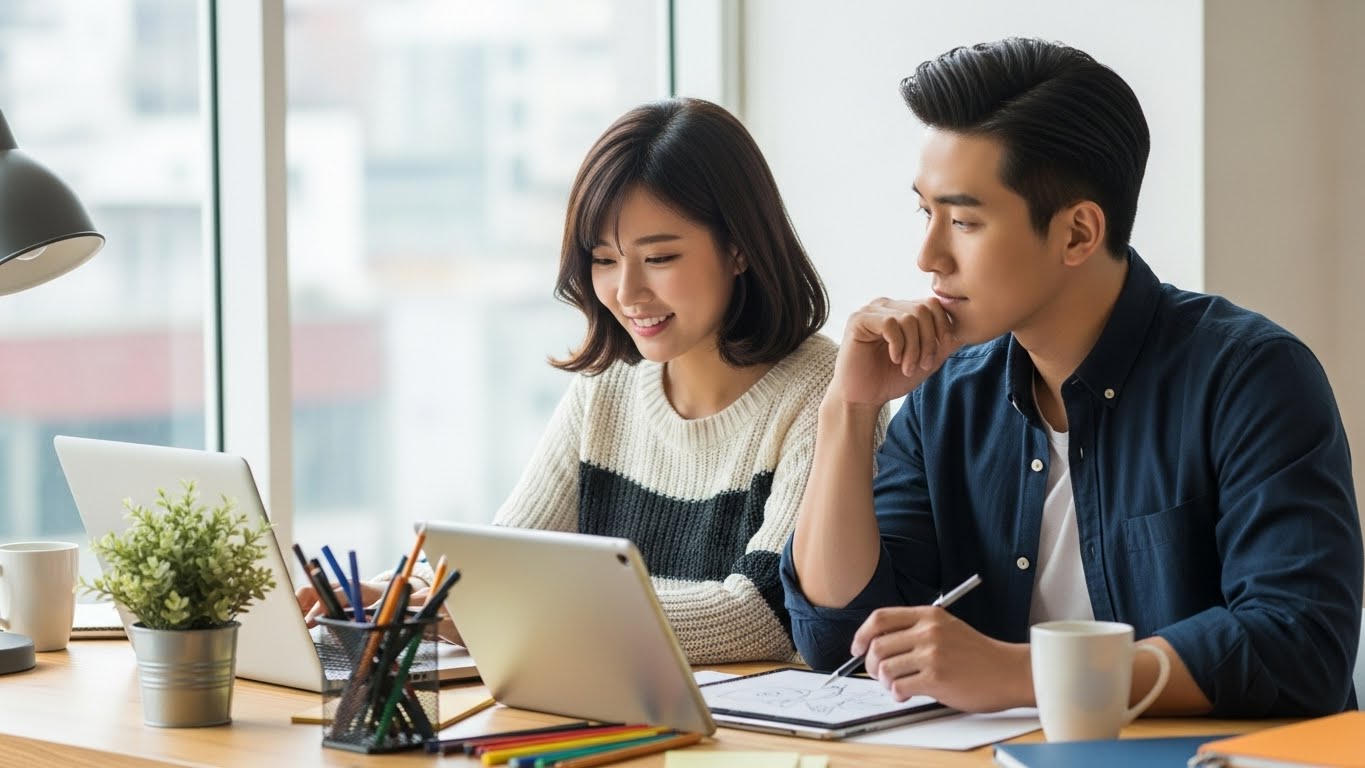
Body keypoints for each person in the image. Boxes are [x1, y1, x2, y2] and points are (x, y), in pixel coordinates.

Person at [781, 37, 1362, 717]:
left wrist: (1023, 675)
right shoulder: (946, 395)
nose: (927, 256)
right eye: (925, 212)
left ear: (1078, 234)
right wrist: (847, 410)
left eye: (963, 221)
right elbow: (836, 637)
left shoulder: (1248, 377)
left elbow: (1297, 644)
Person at [301, 97, 841, 664]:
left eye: (659, 257)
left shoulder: (821, 387)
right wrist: (403, 596)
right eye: (604, 260)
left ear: (738, 248)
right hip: (605, 716)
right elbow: (510, 557)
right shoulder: (610, 383)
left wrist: (507, 607)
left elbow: (764, 613)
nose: (627, 293)